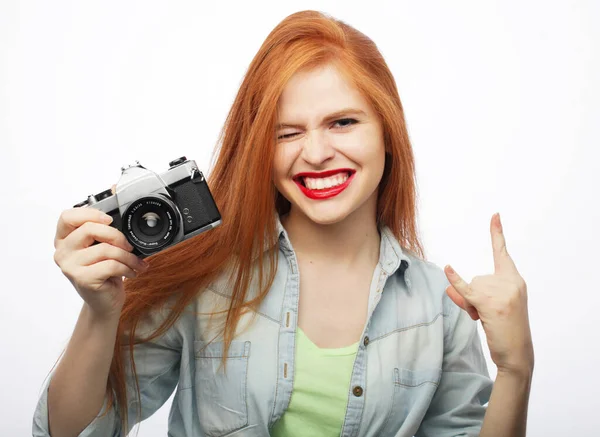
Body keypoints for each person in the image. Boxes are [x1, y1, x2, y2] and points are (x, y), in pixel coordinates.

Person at [33, 10, 534, 437]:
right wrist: (100, 312)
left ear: (388, 133)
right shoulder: (204, 278)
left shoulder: (441, 309)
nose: (315, 154)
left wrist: (515, 370)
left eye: (343, 122)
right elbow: (71, 431)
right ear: (260, 151)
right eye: (288, 133)